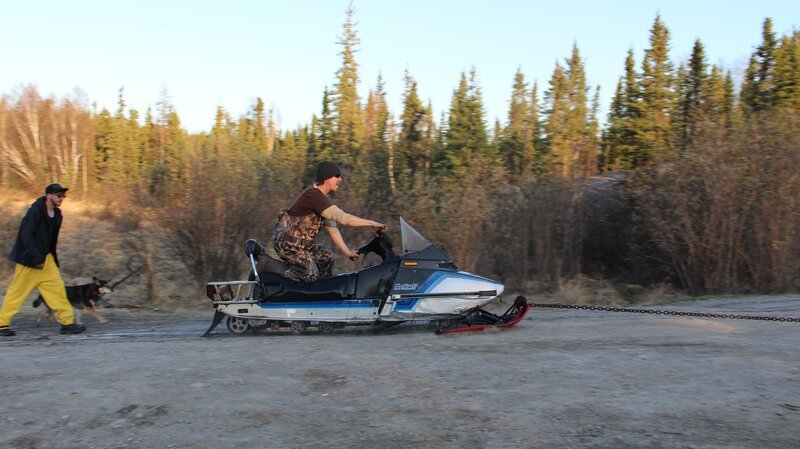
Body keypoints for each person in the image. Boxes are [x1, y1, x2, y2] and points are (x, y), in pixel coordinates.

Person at [273, 161, 386, 283]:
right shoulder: (313, 195)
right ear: (326, 177)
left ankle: (322, 293)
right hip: (288, 245)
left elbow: (332, 227)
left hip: (302, 245)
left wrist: (347, 252)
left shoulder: (321, 198)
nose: (340, 179)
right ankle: (268, 266)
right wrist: (373, 223)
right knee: (310, 274)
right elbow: (344, 218)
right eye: (337, 176)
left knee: (327, 258)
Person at [0, 184, 86, 336]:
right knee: (17, 293)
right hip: (29, 261)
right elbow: (26, 236)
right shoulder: (35, 211)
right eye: (59, 195)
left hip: (47, 260)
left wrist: (47, 258)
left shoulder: (57, 214)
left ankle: (67, 323)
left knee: (57, 290)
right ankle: (2, 324)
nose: (62, 199)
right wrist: (36, 259)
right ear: (49, 195)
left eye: (63, 196)